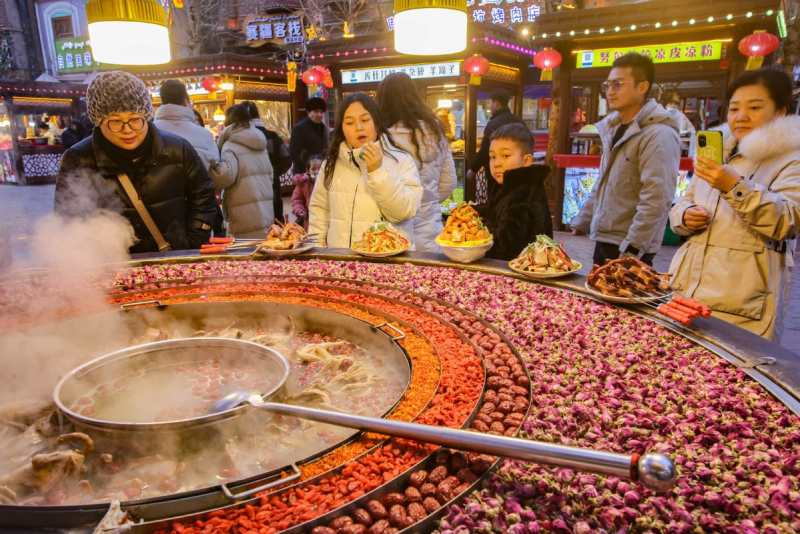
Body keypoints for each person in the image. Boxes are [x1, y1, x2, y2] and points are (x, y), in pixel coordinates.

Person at [669, 69, 800, 341]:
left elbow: (787, 220)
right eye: (734, 108)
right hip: (686, 291)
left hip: (741, 305)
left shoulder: (791, 159)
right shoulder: (717, 152)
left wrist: (733, 186)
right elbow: (684, 201)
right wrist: (684, 215)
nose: (741, 116)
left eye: (755, 107)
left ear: (780, 111)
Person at [54, 70, 217, 253]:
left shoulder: (178, 148)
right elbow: (68, 216)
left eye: (135, 119)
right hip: (113, 264)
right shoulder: (78, 159)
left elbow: (203, 196)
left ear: (146, 116)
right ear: (98, 121)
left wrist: (192, 241)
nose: (127, 129)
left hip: (173, 256)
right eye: (115, 121)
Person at [571, 52, 680, 266]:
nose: (610, 92)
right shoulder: (614, 128)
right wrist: (583, 220)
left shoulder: (659, 135)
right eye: (608, 85)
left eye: (618, 85)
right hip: (606, 236)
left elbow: (656, 199)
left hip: (629, 245)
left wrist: (632, 248)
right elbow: (603, 182)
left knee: (620, 299)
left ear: (642, 87)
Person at [308, 93, 423, 249]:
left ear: (376, 123)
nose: (359, 127)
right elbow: (319, 209)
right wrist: (317, 251)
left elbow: (402, 213)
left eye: (365, 120)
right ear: (342, 129)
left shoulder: (401, 161)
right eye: (349, 122)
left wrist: (377, 171)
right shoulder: (331, 163)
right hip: (339, 261)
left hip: (386, 264)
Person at [378, 72, 456, 252]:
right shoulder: (436, 131)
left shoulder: (380, 136)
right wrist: (428, 202)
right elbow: (449, 183)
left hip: (391, 236)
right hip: (431, 231)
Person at [154, 79, 226, 236]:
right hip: (197, 215)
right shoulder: (204, 135)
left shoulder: (150, 133)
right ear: (186, 100)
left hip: (157, 217)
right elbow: (215, 175)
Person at [476, 123, 553, 261]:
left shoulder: (524, 192)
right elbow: (496, 211)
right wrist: (473, 211)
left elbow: (505, 246)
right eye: (492, 157)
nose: (497, 163)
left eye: (505, 156)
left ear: (526, 161)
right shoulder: (508, 185)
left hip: (520, 273)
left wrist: (475, 230)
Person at [211, 103, 275, 238]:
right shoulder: (260, 143)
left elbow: (225, 177)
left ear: (229, 123)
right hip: (265, 210)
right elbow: (270, 174)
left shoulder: (230, 145)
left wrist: (211, 165)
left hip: (244, 215)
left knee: (246, 252)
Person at [468, 90, 524, 199]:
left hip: (497, 171)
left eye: (491, 103)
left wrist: (473, 168)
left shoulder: (493, 124)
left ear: (497, 104)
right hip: (517, 169)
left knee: (496, 198)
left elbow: (485, 150)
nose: (490, 106)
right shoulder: (519, 121)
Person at [242, 101, 291, 222]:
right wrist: (274, 171)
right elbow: (287, 159)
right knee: (276, 227)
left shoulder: (241, 138)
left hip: (248, 190)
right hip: (272, 187)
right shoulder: (272, 136)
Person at [289, 97, 328, 175]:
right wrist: (308, 166)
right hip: (303, 173)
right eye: (316, 112)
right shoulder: (299, 128)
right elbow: (294, 153)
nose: (319, 115)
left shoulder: (324, 128)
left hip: (320, 171)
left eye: (321, 112)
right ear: (308, 112)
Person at [292, 153, 323, 228]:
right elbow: (297, 200)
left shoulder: (328, 182)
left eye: (320, 169)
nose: (317, 171)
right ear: (308, 170)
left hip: (323, 218)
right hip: (309, 220)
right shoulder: (303, 184)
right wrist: (300, 210)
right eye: (313, 169)